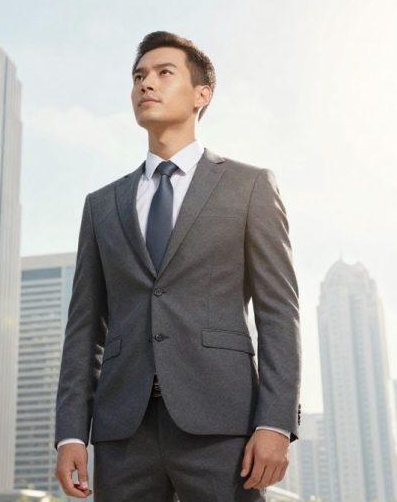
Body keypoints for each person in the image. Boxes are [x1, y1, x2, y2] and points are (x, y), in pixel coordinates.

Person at [54, 31, 301, 501]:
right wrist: (70, 433)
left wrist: (275, 421)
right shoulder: (101, 205)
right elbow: (84, 328)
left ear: (202, 94)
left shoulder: (249, 187)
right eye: (139, 76)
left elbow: (278, 313)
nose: (147, 83)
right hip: (122, 432)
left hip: (224, 426)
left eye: (164, 73)